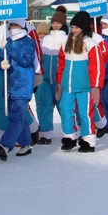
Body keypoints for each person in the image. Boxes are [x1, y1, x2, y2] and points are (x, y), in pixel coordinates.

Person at [56, 11, 103, 152]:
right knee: (65, 109)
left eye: (77, 27)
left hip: (84, 86)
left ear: (83, 28)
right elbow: (61, 64)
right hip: (68, 85)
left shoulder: (90, 43)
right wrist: (59, 83)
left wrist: (95, 86)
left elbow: (97, 66)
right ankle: (69, 136)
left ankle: (88, 139)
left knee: (85, 112)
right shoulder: (66, 43)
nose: (74, 30)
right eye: (72, 27)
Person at [0, 19, 37, 160]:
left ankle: (5, 145)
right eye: (11, 25)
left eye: (16, 25)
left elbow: (25, 60)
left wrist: (10, 49)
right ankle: (26, 143)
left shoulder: (29, 42)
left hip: (23, 83)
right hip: (9, 83)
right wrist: (2, 64)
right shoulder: (7, 41)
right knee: (19, 115)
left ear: (22, 26)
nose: (13, 28)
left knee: (16, 115)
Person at [37, 9, 68, 144]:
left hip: (60, 80)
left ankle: (70, 131)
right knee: (44, 105)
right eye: (53, 22)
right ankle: (45, 132)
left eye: (58, 23)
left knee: (64, 106)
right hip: (44, 79)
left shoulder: (67, 39)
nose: (55, 25)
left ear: (63, 24)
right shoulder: (45, 40)